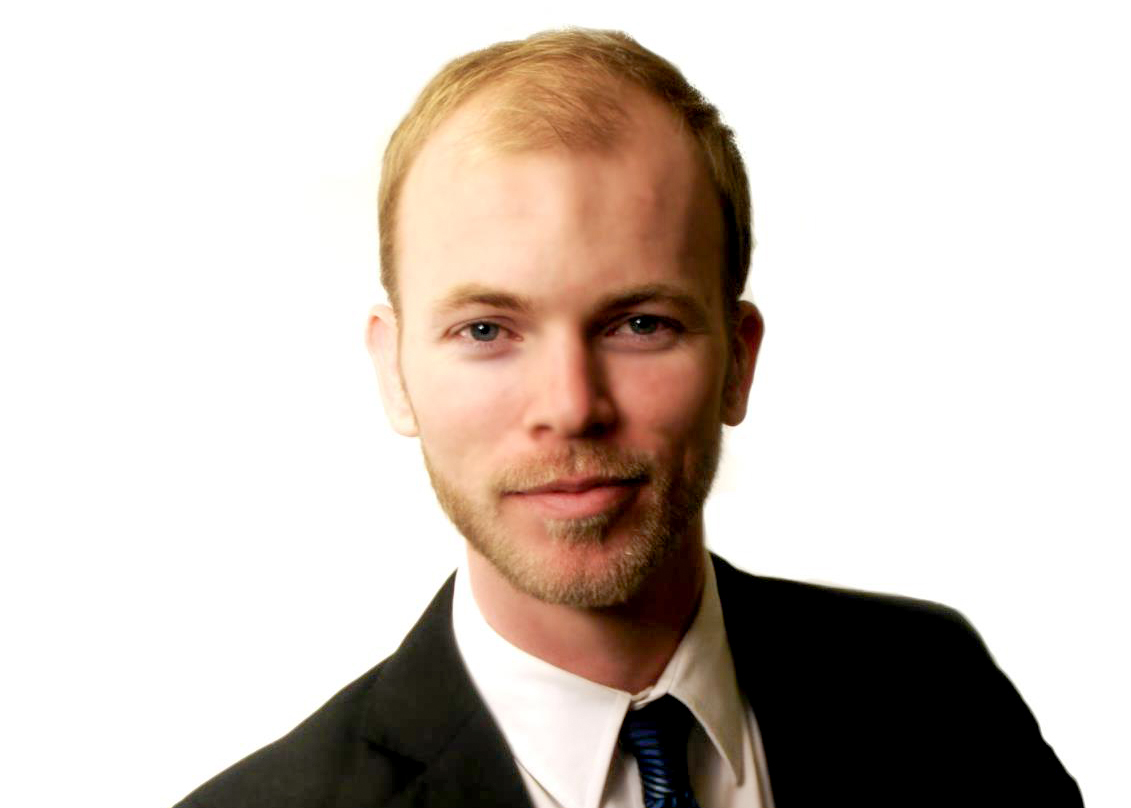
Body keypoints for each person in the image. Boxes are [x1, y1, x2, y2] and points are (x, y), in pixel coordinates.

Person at [175, 28, 1082, 808]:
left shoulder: (936, 690)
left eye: (640, 324)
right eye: (486, 329)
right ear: (394, 371)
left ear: (738, 361)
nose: (571, 406)